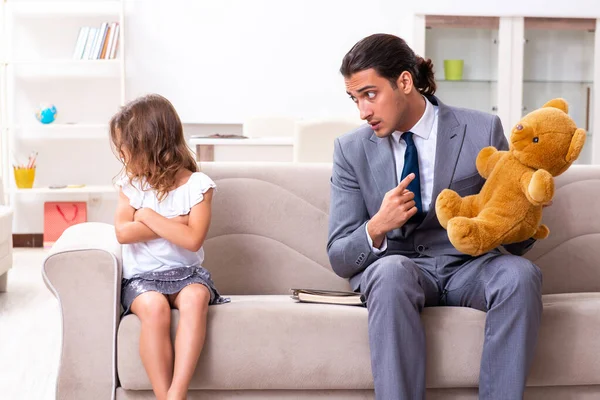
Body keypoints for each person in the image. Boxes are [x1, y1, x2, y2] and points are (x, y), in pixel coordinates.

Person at [327, 33, 543, 400]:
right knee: (389, 272)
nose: (362, 111)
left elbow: (516, 241)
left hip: (470, 267)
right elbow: (339, 255)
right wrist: (378, 225)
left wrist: (527, 209)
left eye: (369, 94)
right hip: (402, 267)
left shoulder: (481, 130)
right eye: (355, 99)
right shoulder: (350, 150)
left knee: (520, 275)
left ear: (405, 82)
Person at [110, 93, 229, 400]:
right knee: (154, 308)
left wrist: (147, 215)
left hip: (187, 274)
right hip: (141, 279)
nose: (122, 154)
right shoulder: (131, 185)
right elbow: (123, 233)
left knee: (195, 300)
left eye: (126, 146)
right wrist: (176, 222)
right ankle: (167, 397)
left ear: (150, 144)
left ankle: (177, 393)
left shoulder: (198, 186)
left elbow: (192, 239)